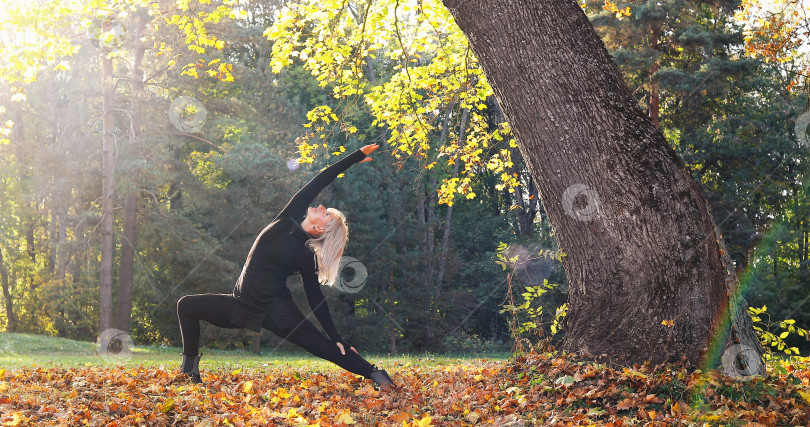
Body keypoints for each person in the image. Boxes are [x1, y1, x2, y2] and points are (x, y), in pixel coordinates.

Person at [176, 144, 396, 391]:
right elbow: (321, 179)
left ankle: (377, 375)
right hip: (241, 304)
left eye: (326, 214)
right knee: (187, 306)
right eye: (325, 209)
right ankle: (189, 371)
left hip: (277, 311)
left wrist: (336, 338)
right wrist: (355, 157)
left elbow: (315, 297)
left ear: (321, 229)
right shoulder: (288, 216)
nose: (321, 207)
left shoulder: (305, 254)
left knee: (323, 347)